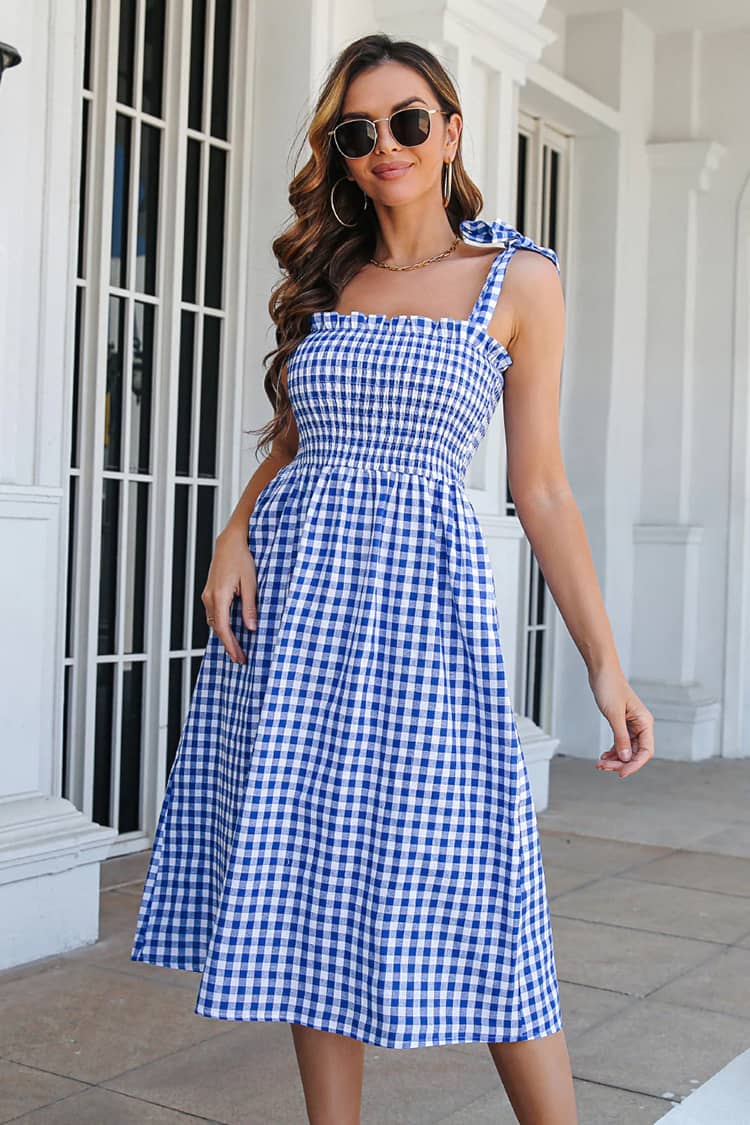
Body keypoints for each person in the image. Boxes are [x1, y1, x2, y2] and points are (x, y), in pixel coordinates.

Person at [131, 32, 654, 1125]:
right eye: (358, 131)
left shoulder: (518, 279)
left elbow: (542, 487)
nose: (386, 145)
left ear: (451, 131)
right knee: (307, 875)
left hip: (423, 616)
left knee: (483, 885)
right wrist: (234, 533)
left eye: (409, 121)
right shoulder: (332, 276)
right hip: (297, 605)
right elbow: (297, 435)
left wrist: (604, 665)